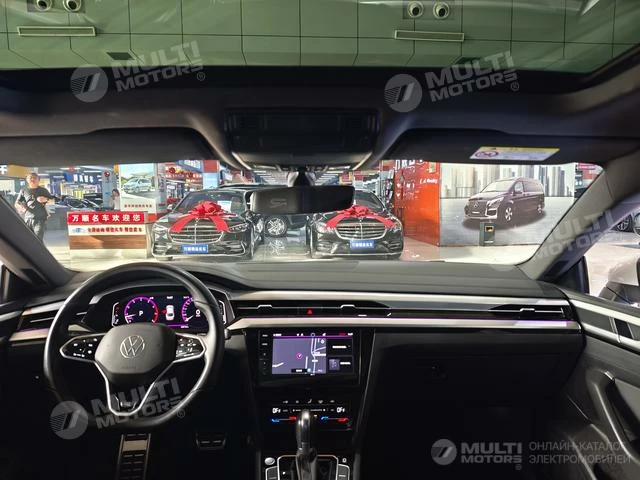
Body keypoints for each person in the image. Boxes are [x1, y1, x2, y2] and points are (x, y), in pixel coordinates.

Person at [14, 172, 54, 241]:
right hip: (27, 219)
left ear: (38, 180)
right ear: (27, 180)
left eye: (35, 178)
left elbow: (53, 201)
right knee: (28, 239)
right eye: (30, 178)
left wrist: (45, 199)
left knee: (38, 238)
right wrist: (21, 207)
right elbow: (16, 203)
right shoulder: (23, 190)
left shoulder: (43, 190)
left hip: (40, 219)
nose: (32, 179)